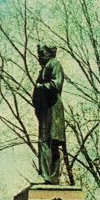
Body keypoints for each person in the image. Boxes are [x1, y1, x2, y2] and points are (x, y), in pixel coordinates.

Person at [31, 44, 65, 184]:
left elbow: (57, 84)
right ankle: (51, 176)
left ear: (50, 54)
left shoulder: (54, 64)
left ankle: (47, 176)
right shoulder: (44, 68)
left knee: (48, 142)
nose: (39, 56)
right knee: (48, 142)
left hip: (53, 108)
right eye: (39, 53)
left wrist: (40, 87)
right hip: (45, 109)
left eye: (42, 53)